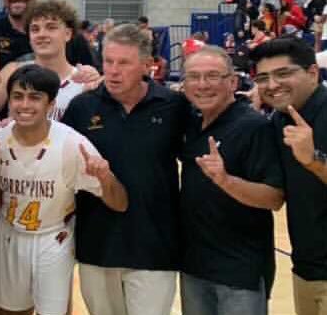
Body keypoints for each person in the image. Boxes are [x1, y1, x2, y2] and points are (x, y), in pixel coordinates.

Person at [61, 24, 190, 315]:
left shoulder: (174, 106)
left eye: (124, 63)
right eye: (108, 61)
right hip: (97, 245)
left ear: (147, 65)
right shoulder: (82, 107)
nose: (113, 71)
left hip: (155, 247)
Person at [0, 65, 127, 315]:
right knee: (7, 311)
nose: (24, 105)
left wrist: (105, 177)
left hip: (53, 237)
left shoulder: (72, 145)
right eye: (17, 96)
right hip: (8, 234)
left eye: (34, 97)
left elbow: (120, 203)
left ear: (50, 105)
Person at [176, 46, 283, 315]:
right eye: (194, 77)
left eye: (213, 76)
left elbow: (274, 197)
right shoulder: (190, 122)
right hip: (194, 265)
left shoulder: (253, 127)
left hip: (239, 271)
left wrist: (225, 180)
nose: (202, 85)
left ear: (233, 82)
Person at [248, 38, 327, 315]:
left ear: (313, 73)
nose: (272, 85)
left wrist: (314, 160)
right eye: (263, 78)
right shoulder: (280, 121)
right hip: (307, 268)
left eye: (283, 74)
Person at [0, 0, 95, 120]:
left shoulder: (85, 80)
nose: (42, 34)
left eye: (51, 27)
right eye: (35, 29)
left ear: (68, 34)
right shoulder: (14, 70)